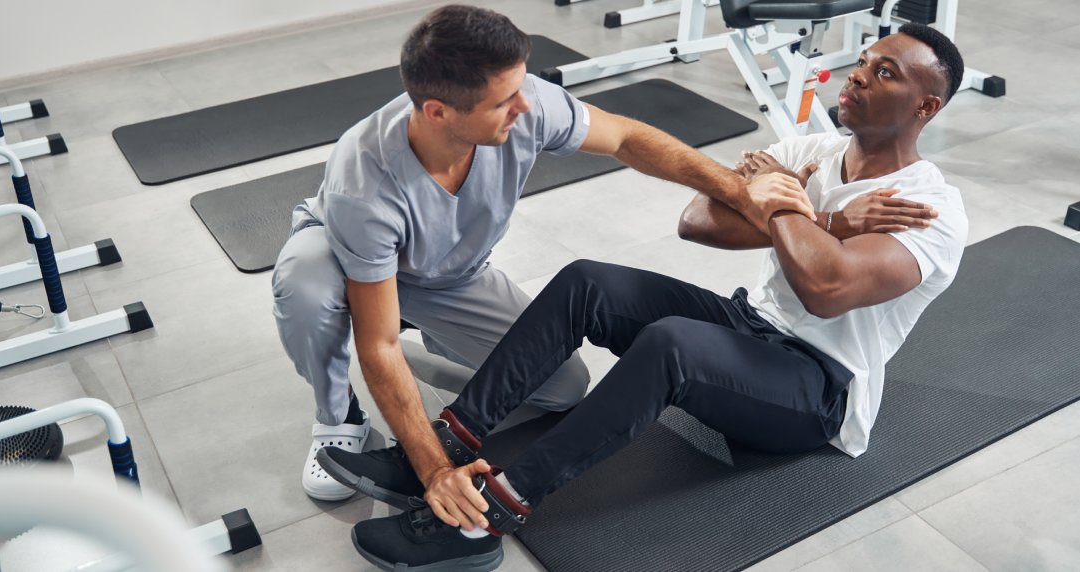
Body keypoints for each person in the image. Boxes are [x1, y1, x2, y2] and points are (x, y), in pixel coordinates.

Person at [320, 23, 969, 571]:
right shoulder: (812, 150)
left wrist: (782, 203)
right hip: (752, 326)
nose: (855, 76)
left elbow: (826, 288)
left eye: (883, 73)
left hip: (818, 390)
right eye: (860, 62)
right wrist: (816, 219)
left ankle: (481, 520)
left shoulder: (927, 209)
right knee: (589, 281)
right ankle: (449, 444)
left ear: (924, 107)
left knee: (672, 345)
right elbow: (697, 220)